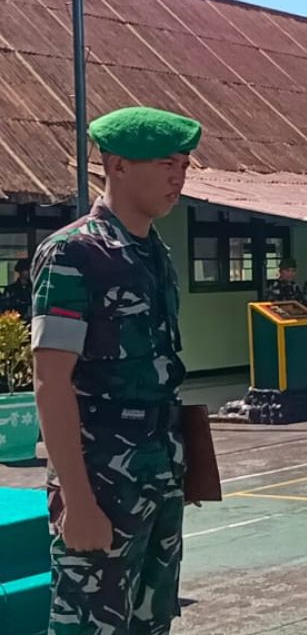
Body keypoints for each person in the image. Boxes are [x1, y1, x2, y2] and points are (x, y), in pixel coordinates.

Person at [31, 105, 200, 634]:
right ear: (117, 165)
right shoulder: (72, 254)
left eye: (184, 165)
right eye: (166, 164)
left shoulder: (155, 253)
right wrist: (77, 502)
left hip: (158, 474)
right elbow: (51, 380)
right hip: (100, 479)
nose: (179, 177)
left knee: (151, 623)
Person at [3, 257, 33, 323]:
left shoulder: (33, 288)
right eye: (26, 270)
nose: (28, 272)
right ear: (20, 271)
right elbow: (6, 307)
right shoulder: (11, 289)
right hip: (16, 322)